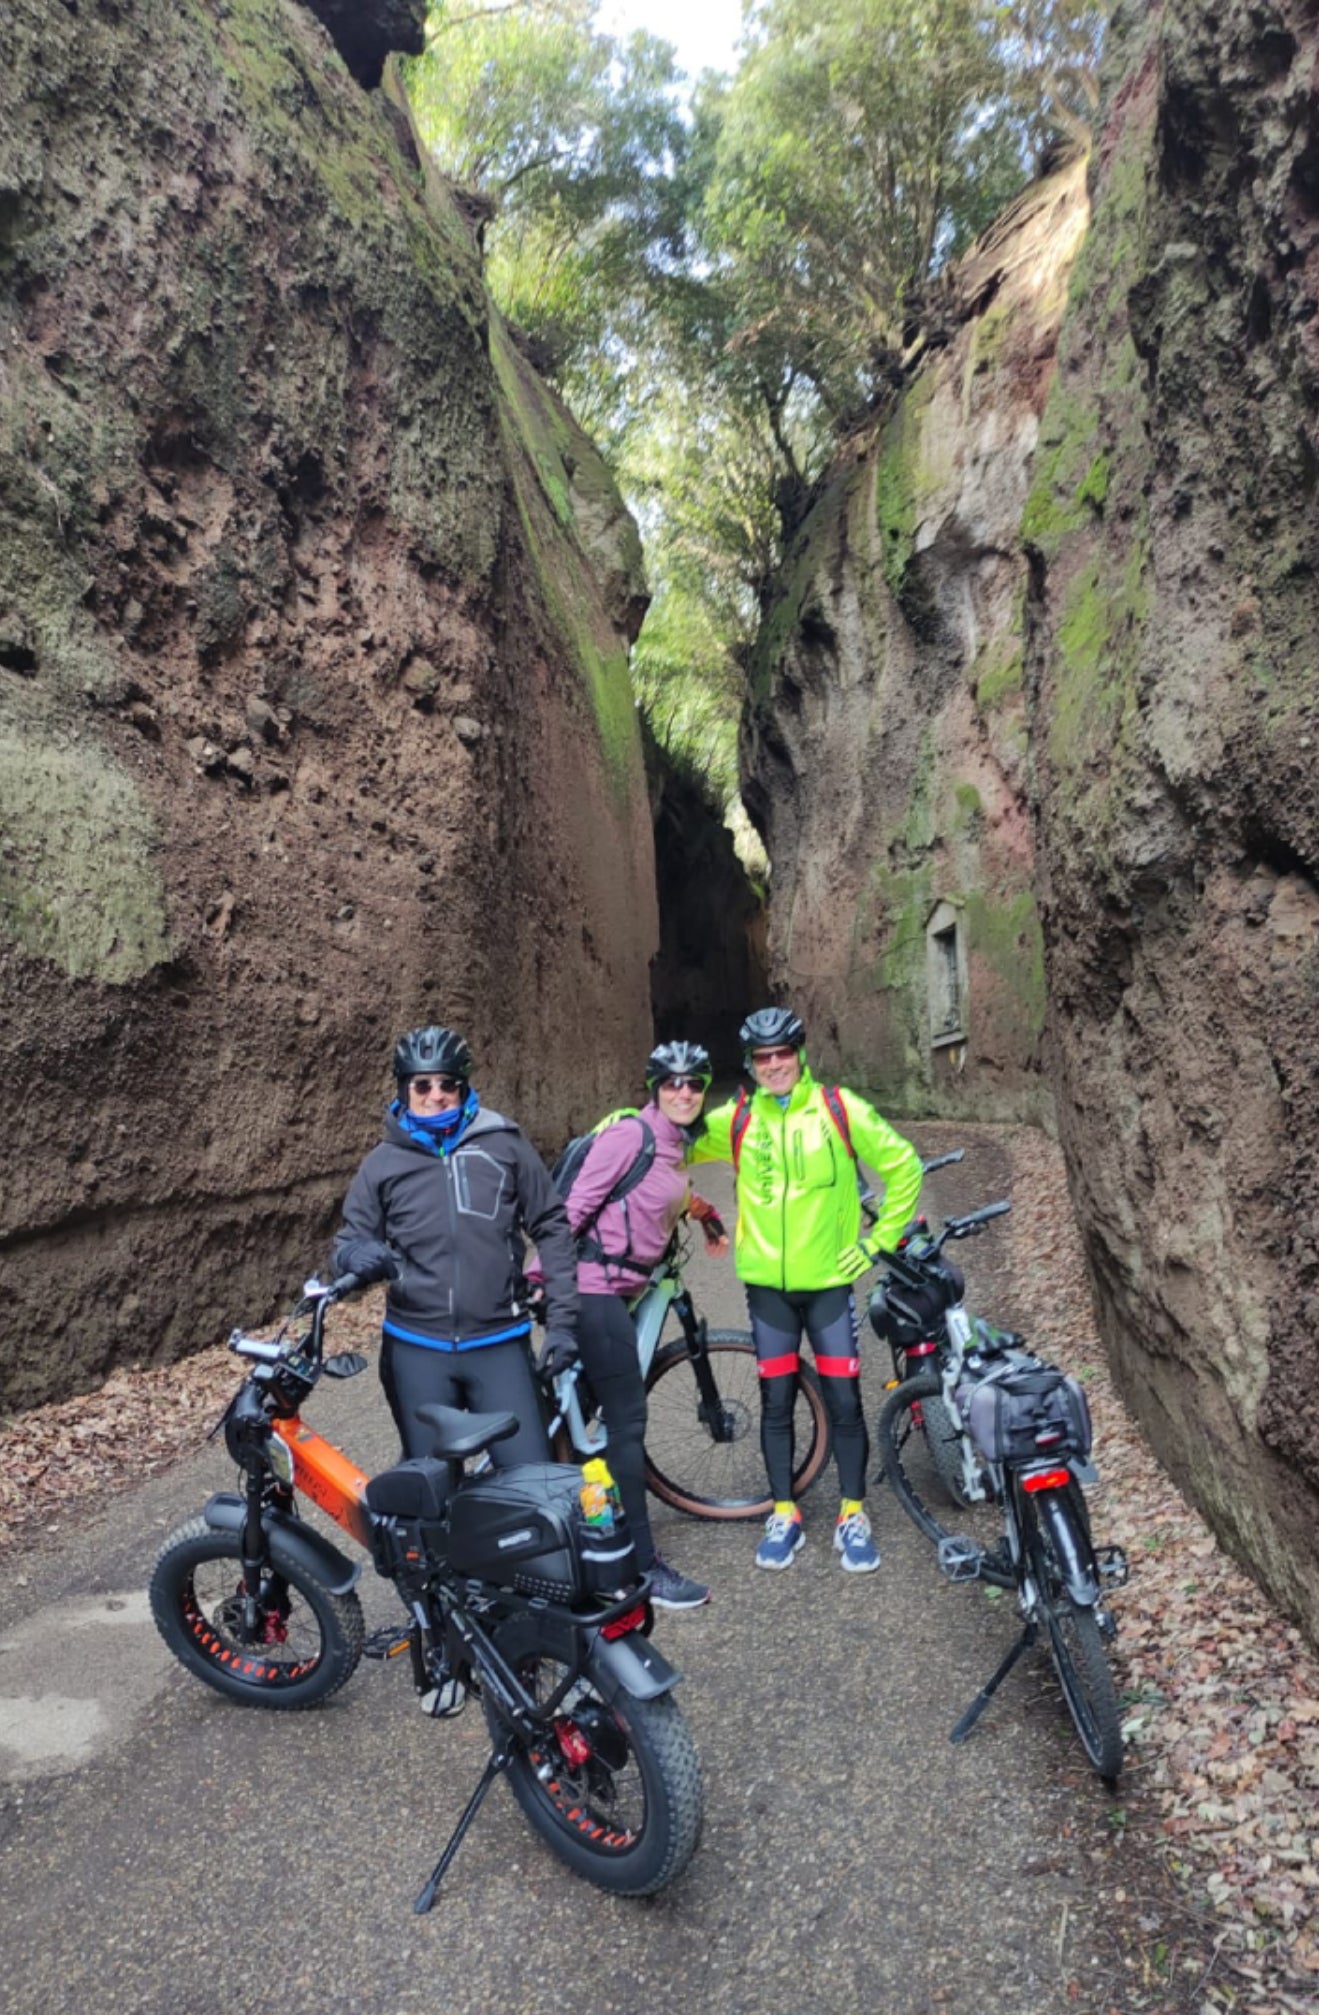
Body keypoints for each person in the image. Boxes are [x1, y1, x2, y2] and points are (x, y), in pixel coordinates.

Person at [690, 1006, 923, 1574]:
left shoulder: (839, 1109)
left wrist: (876, 1244)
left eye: (782, 1054)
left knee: (844, 1401)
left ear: (799, 1055)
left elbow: (904, 1166)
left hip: (827, 1288)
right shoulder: (736, 1119)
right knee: (776, 1401)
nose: (774, 1065)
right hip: (768, 1289)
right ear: (750, 1064)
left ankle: (852, 1513)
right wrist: (621, 1124)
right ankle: (784, 1513)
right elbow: (669, 1139)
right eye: (762, 1057)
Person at [331, 1024, 579, 1468]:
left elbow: (551, 1225)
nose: (436, 1095)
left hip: (499, 1341)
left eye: (448, 1084)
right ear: (404, 1089)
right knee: (432, 1486)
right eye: (422, 1085)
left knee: (530, 1478)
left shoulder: (504, 1142)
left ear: (464, 1087)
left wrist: (563, 1324)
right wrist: (354, 1256)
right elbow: (348, 1242)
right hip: (415, 1346)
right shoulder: (381, 1164)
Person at [561, 1040, 729, 1611]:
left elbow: (670, 1191)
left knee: (587, 1409)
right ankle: (638, 1567)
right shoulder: (631, 1135)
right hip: (594, 1287)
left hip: (617, 1287)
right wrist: (549, 1282)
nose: (684, 1092)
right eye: (671, 1083)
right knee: (625, 1422)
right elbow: (573, 1209)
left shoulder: (672, 1145)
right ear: (655, 1089)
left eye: (694, 1083)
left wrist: (708, 1217)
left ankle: (584, 1528)